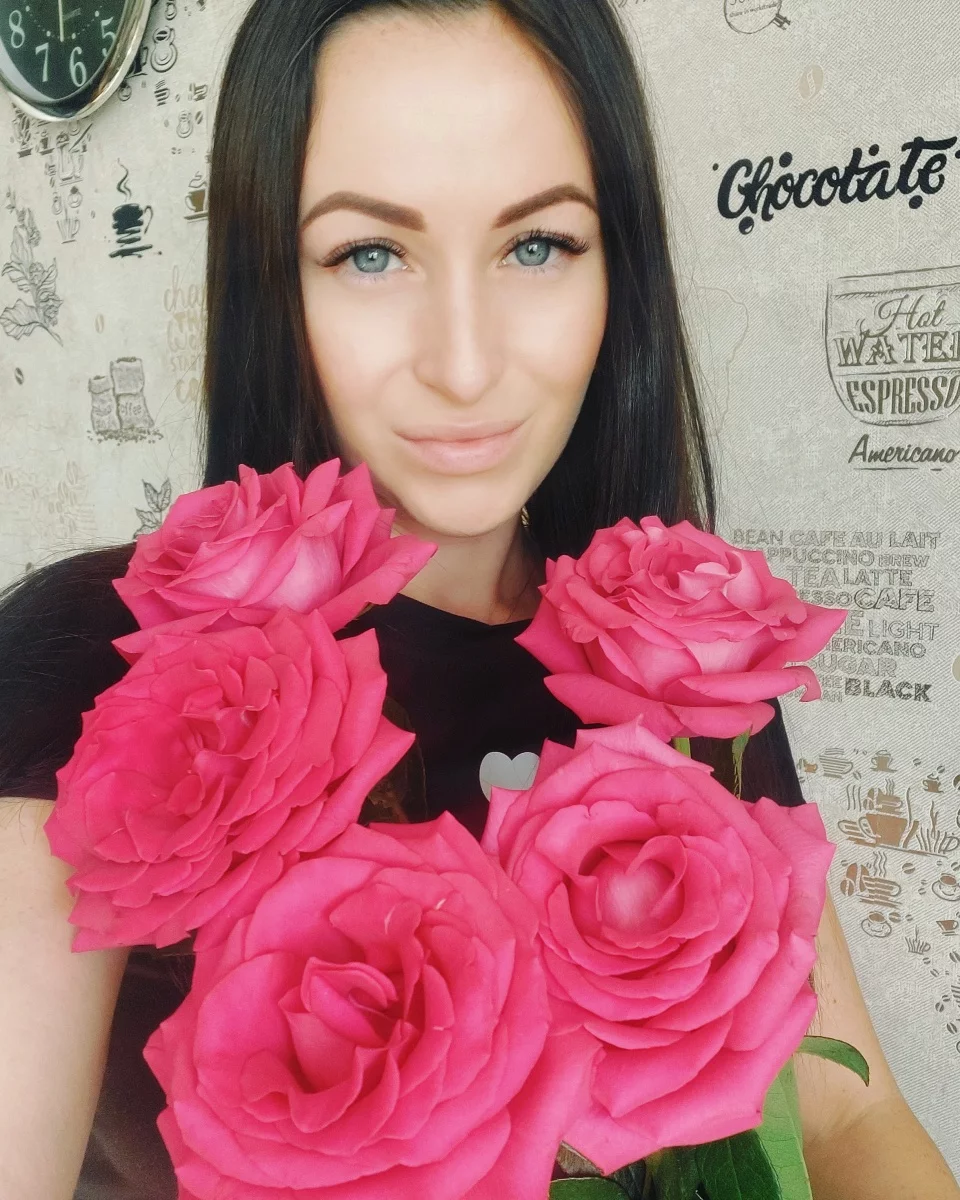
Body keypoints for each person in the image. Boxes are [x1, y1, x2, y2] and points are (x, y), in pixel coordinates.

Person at [0, 1, 957, 1198]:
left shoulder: (678, 656)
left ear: (619, 269)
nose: (465, 365)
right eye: (370, 254)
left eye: (538, 245)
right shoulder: (105, 668)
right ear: (273, 282)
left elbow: (850, 1115)